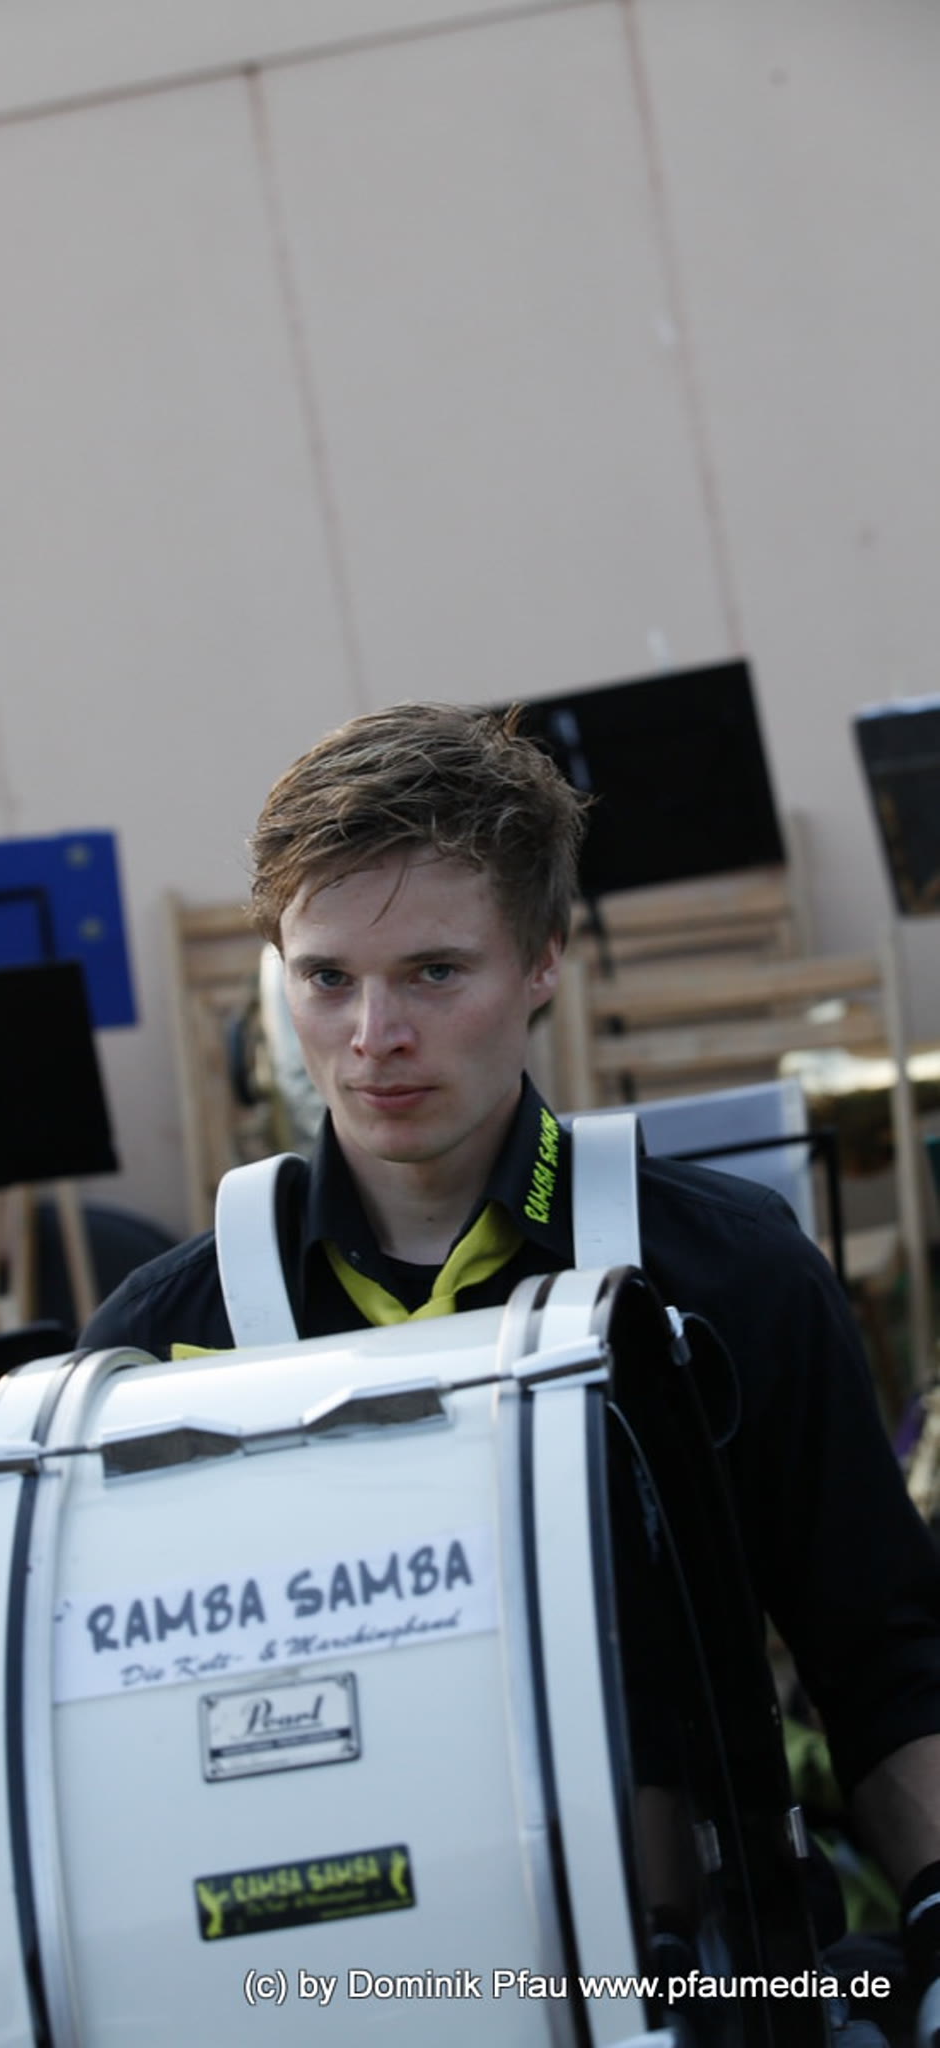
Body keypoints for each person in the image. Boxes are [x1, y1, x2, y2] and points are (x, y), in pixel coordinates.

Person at [80, 700, 940, 1971]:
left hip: (712, 1979)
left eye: (435, 971)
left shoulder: (735, 1271)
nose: (374, 1037)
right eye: (327, 978)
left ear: (543, 960)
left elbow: (883, 1661)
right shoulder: (158, 1345)